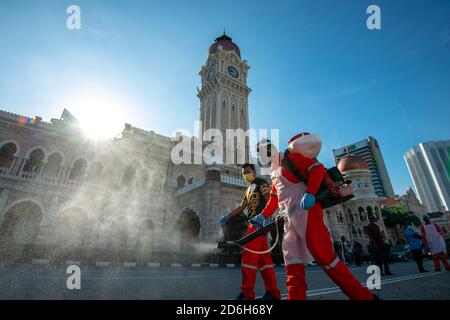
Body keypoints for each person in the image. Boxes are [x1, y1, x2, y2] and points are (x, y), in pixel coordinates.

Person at [252, 133, 376, 300]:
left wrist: (310, 193)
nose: (261, 157)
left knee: (324, 256)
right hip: (289, 218)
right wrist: (263, 216)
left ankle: (363, 297)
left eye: (263, 152)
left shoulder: (290, 157)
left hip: (308, 212)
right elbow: (275, 197)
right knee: (291, 259)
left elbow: (317, 169)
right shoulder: (273, 172)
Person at [218, 163, 281, 300]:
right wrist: (228, 216)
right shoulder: (248, 190)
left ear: (254, 171)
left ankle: (247, 293)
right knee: (264, 261)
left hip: (259, 223)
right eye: (244, 173)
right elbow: (242, 206)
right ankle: (273, 292)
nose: (246, 175)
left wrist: (267, 216)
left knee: (248, 255)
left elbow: (269, 198)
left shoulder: (261, 182)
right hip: (253, 223)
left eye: (248, 172)